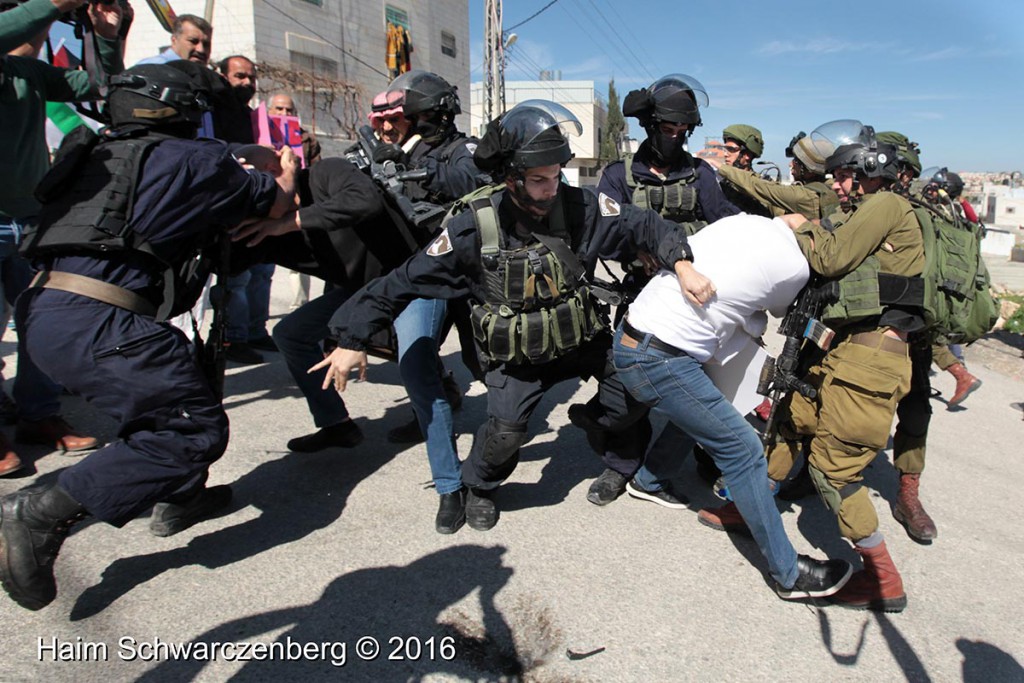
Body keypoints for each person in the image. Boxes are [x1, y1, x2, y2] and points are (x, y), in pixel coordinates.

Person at [314, 100, 710, 533]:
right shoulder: (472, 229)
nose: (551, 188)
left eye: (556, 176)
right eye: (539, 180)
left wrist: (683, 263)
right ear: (511, 178)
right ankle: (480, 486)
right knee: (505, 433)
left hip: (580, 339)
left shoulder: (582, 206)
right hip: (517, 356)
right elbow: (400, 282)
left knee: (635, 389)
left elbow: (648, 226)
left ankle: (614, 452)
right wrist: (350, 339)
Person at [0, 62, 298, 612]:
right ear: (186, 111)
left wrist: (234, 152)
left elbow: (165, 172)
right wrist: (284, 171)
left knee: (182, 377)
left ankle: (181, 497)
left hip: (45, 310)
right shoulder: (196, 160)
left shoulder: (97, 153)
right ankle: (39, 511)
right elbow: (274, 203)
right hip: (103, 318)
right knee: (191, 431)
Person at [704, 121, 925, 612]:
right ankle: (750, 507)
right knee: (790, 420)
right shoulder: (860, 209)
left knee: (835, 468)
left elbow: (829, 258)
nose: (837, 187)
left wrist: (798, 229)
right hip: (839, 348)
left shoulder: (886, 204)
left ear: (869, 171)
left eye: (843, 177)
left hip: (869, 360)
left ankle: (882, 577)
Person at [612, 213, 852, 600]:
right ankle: (789, 576)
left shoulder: (745, 221)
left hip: (635, 336)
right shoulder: (793, 267)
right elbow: (773, 313)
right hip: (658, 360)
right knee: (744, 451)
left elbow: (743, 294)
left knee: (709, 400)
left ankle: (650, 479)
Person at [577, 74, 740, 505]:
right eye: (669, 129)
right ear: (650, 125)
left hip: (690, 298)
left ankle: (703, 453)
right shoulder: (617, 176)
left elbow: (724, 224)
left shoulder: (701, 174)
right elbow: (602, 230)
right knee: (627, 388)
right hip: (637, 297)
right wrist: (639, 244)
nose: (676, 137)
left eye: (684, 130)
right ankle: (620, 466)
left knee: (706, 384)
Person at [0, 0, 123, 473]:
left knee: (45, 321)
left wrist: (107, 36)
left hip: (30, 218)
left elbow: (96, 86)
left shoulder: (28, 73)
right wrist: (51, 4)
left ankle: (39, 415)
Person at [716, 124, 772, 217]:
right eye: (725, 149)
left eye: (731, 149)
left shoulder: (764, 187)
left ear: (747, 155)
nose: (725, 154)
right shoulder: (718, 181)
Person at [136, 13, 211, 65]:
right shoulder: (152, 67)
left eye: (206, 44)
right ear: (174, 40)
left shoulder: (208, 79)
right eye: (193, 41)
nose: (201, 50)